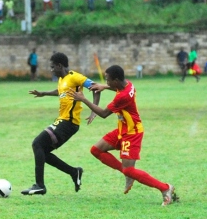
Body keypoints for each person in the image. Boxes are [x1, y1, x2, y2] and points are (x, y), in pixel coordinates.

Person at [67, 65, 178, 206]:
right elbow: (117, 88)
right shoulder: (128, 84)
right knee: (96, 150)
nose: (106, 82)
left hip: (132, 133)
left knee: (130, 169)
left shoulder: (122, 97)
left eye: (108, 80)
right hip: (122, 129)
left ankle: (166, 188)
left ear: (117, 80)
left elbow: (103, 114)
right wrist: (105, 87)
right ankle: (127, 174)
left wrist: (83, 99)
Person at [21, 52, 100, 195]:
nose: (51, 70)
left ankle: (39, 185)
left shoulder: (75, 77)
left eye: (52, 67)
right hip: (62, 121)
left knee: (37, 143)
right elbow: (60, 91)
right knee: (42, 152)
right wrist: (43, 93)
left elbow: (95, 87)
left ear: (59, 65)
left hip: (68, 123)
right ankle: (73, 172)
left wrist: (94, 110)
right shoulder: (62, 80)